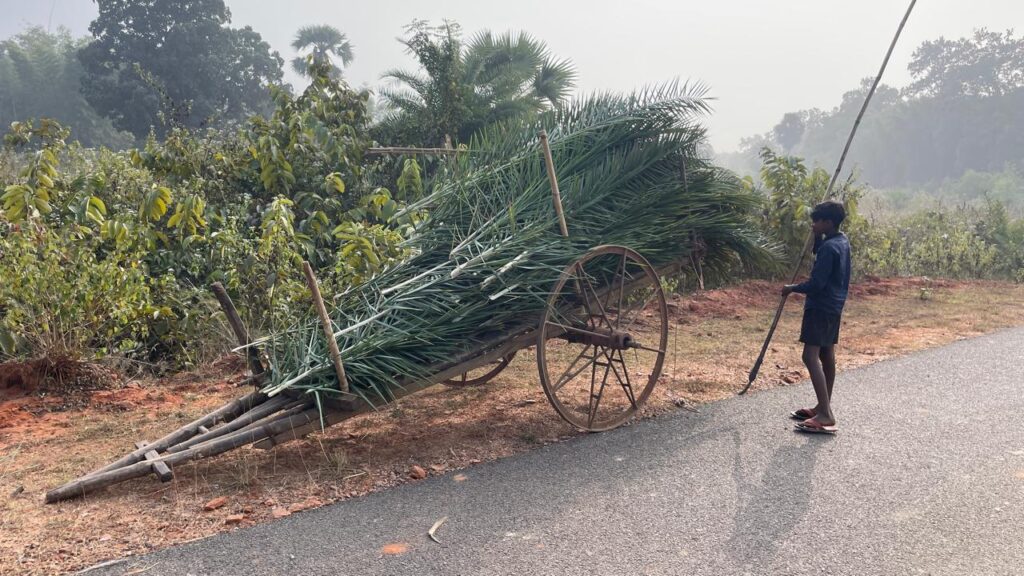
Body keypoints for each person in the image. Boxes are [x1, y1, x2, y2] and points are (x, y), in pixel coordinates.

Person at [782, 200, 851, 434]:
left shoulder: (829, 248)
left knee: (809, 356)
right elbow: (821, 258)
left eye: (817, 221)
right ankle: (822, 406)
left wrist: (792, 288)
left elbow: (817, 283)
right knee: (826, 354)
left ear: (828, 222)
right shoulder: (841, 241)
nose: (813, 224)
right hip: (834, 306)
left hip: (820, 307)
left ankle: (826, 415)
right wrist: (817, 237)